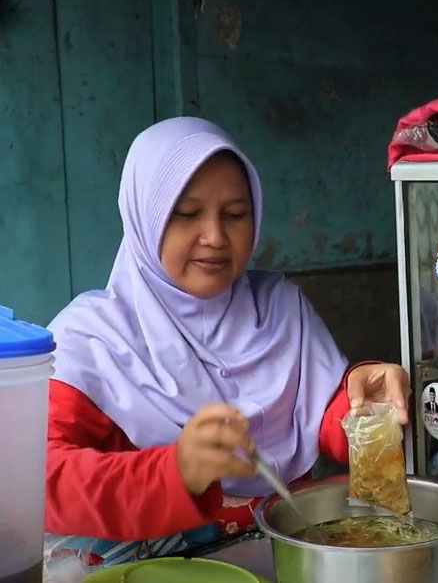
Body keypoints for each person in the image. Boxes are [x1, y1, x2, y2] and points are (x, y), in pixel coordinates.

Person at [42, 117, 411, 564]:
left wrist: (363, 409)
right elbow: (37, 477)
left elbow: (321, 414)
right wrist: (175, 471)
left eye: (236, 214)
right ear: (145, 217)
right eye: (187, 213)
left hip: (281, 555)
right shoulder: (91, 338)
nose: (215, 237)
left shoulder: (278, 307)